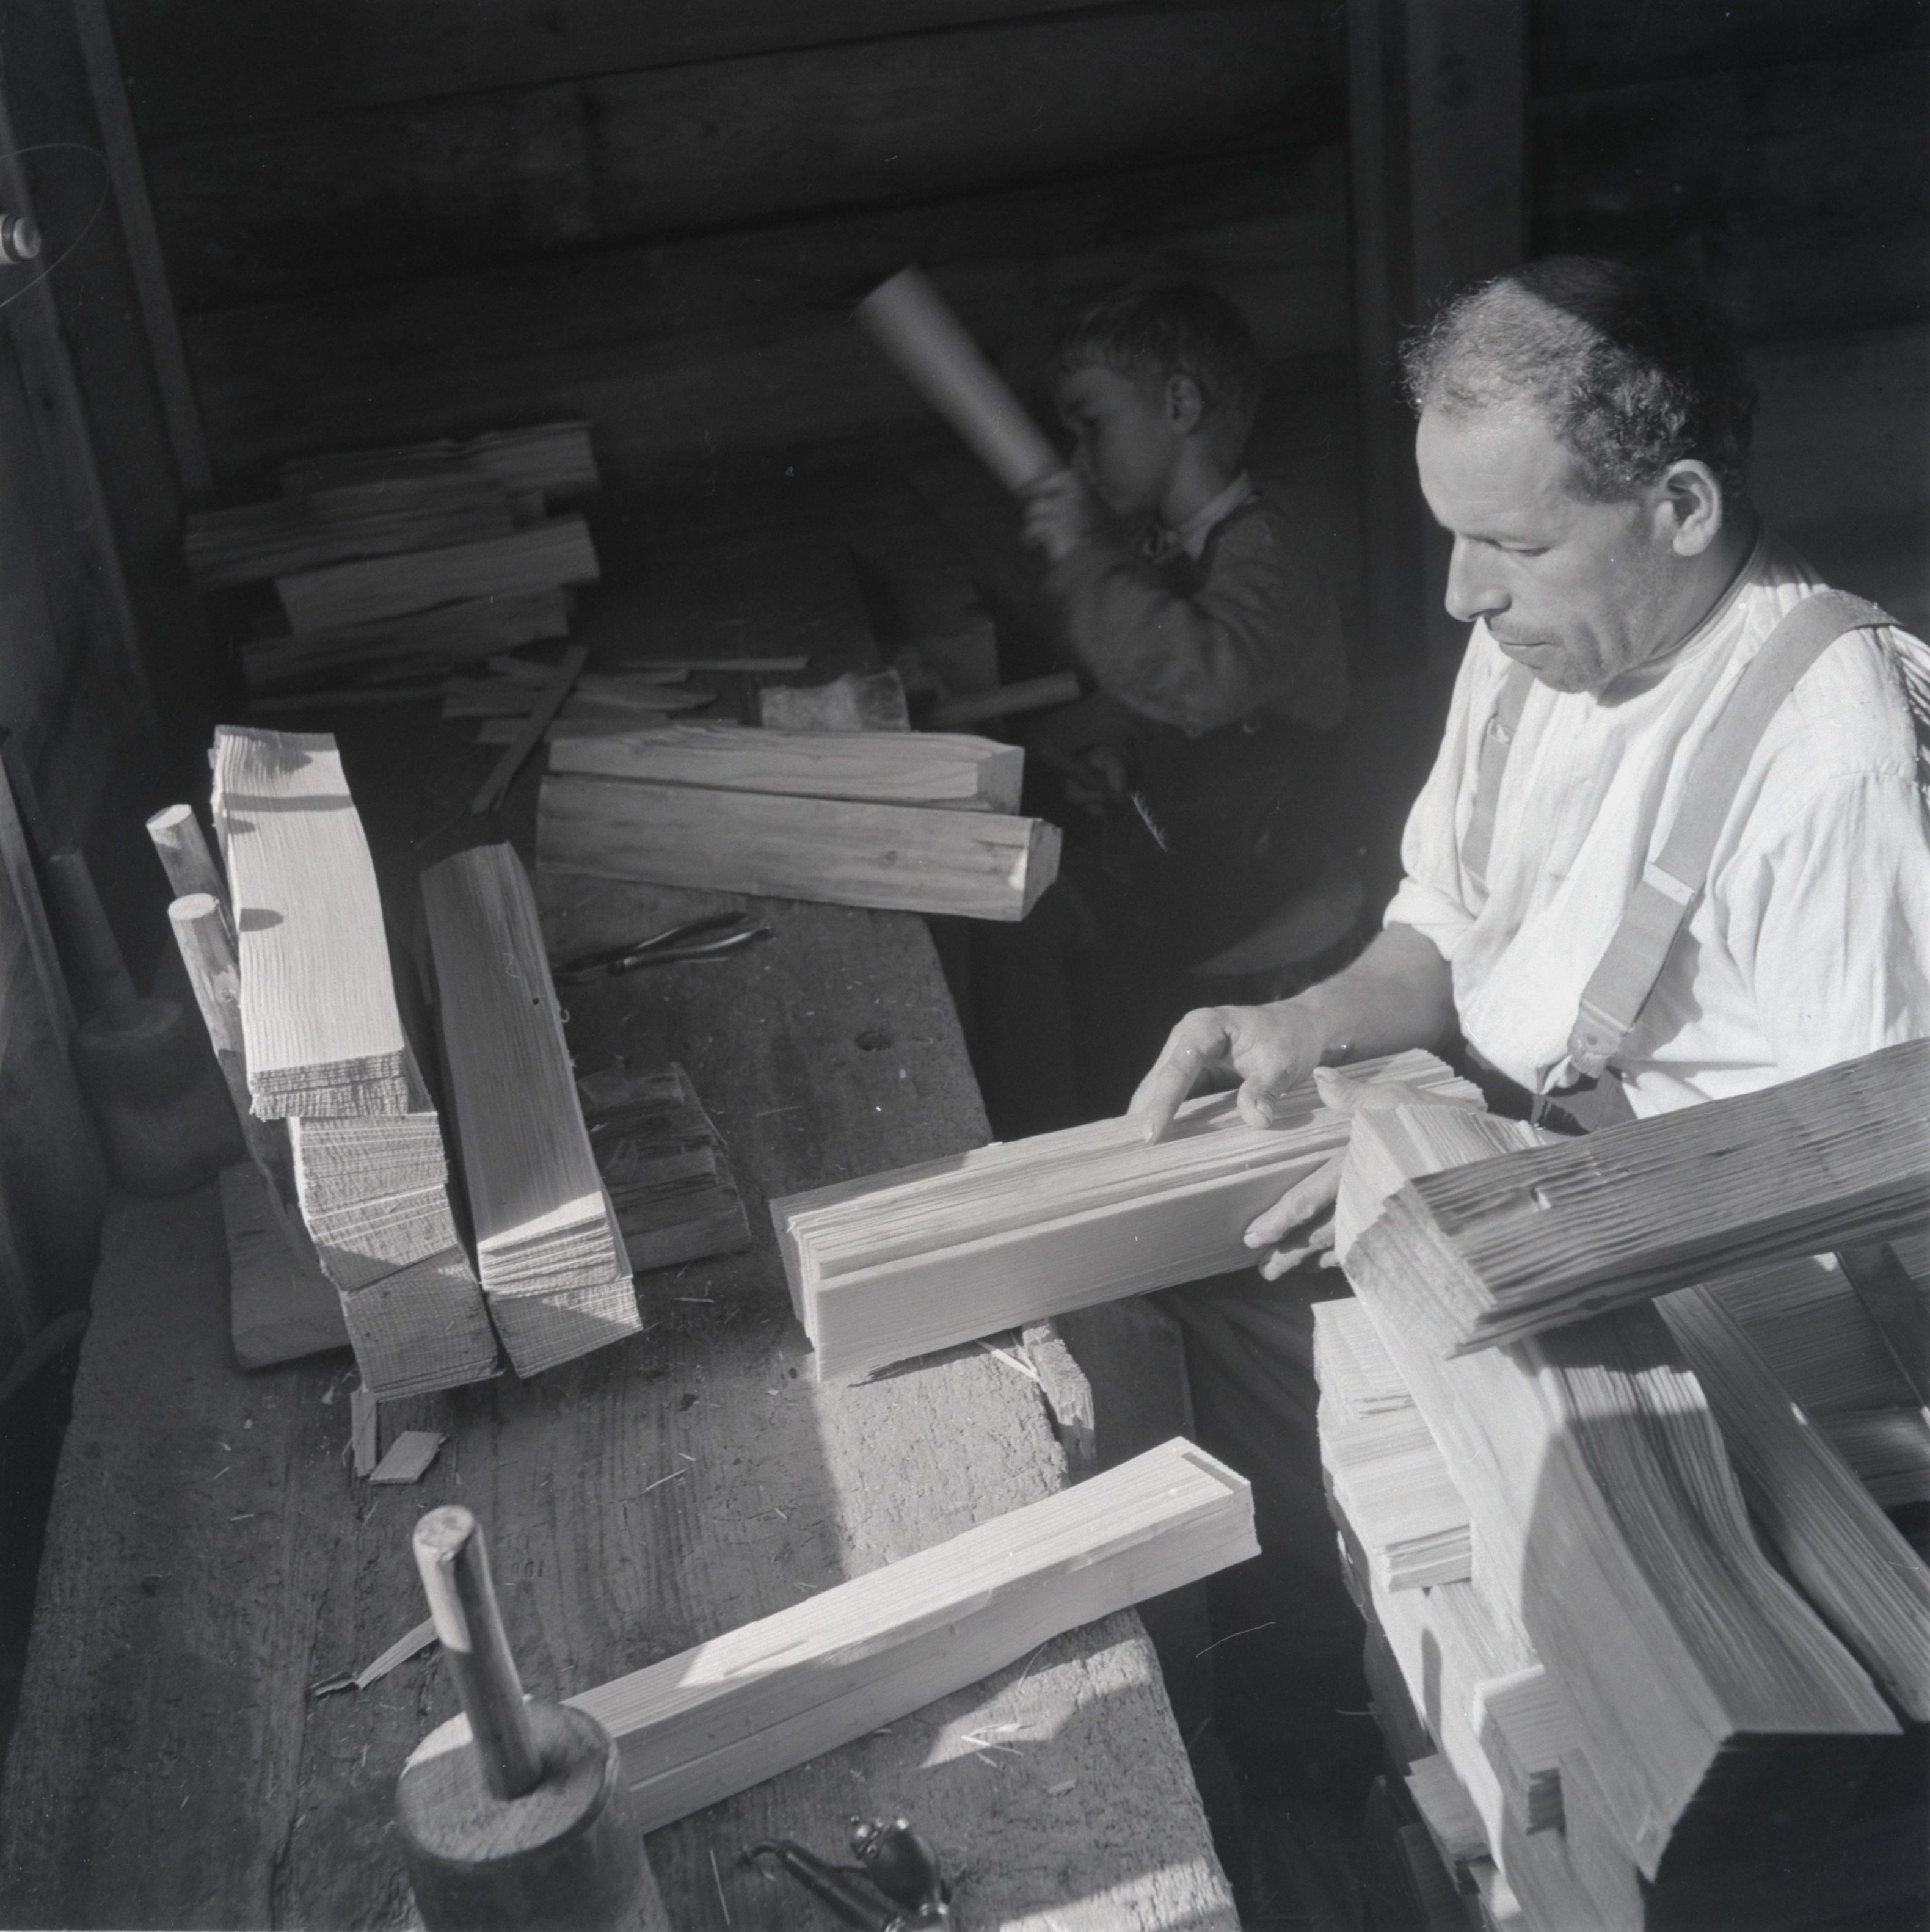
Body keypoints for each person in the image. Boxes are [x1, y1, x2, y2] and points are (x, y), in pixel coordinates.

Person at [1127, 254, 1930, 1807]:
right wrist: (1310, 1016)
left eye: (1509, 543)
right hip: (1550, 1182)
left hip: (1742, 1301)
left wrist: (1501, 1198)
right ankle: (1335, 1724)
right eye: (1454, 535)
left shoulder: (1829, 754)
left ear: (1679, 506)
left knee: (1286, 1374)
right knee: (1195, 1290)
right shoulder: (1539, 644)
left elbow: (1867, 1178)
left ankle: (1359, 1755)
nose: (1460, 595)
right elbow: (1443, 921)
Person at [1017, 280, 1348, 971]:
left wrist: (1081, 562)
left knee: (1037, 934)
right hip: (1203, 862)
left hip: (1272, 882)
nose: (1078, 460)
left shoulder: (1269, 552)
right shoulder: (1161, 546)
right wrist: (1117, 750)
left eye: (1092, 425)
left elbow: (1208, 682)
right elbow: (1154, 686)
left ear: (1178, 404)